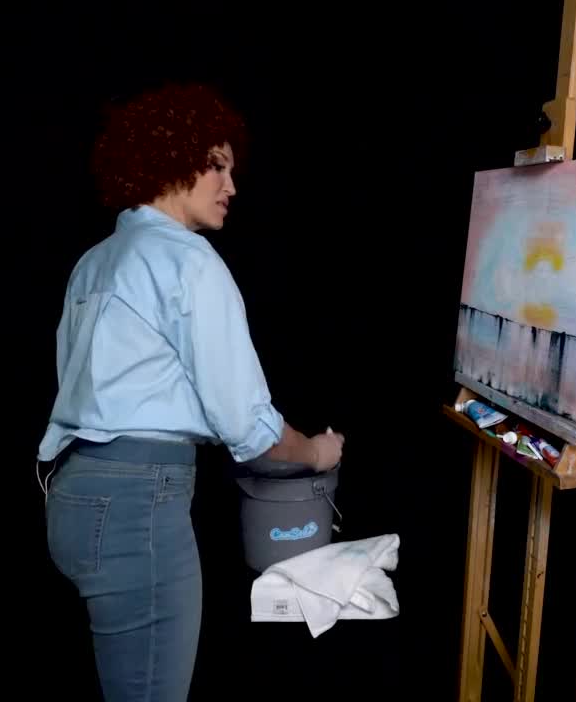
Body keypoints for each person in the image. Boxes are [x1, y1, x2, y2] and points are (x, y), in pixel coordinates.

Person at [35, 81, 345, 702]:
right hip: (136, 509)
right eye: (217, 166)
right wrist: (316, 452)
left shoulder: (94, 261)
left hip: (70, 497)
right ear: (171, 160)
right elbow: (248, 428)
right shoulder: (188, 260)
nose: (232, 186)